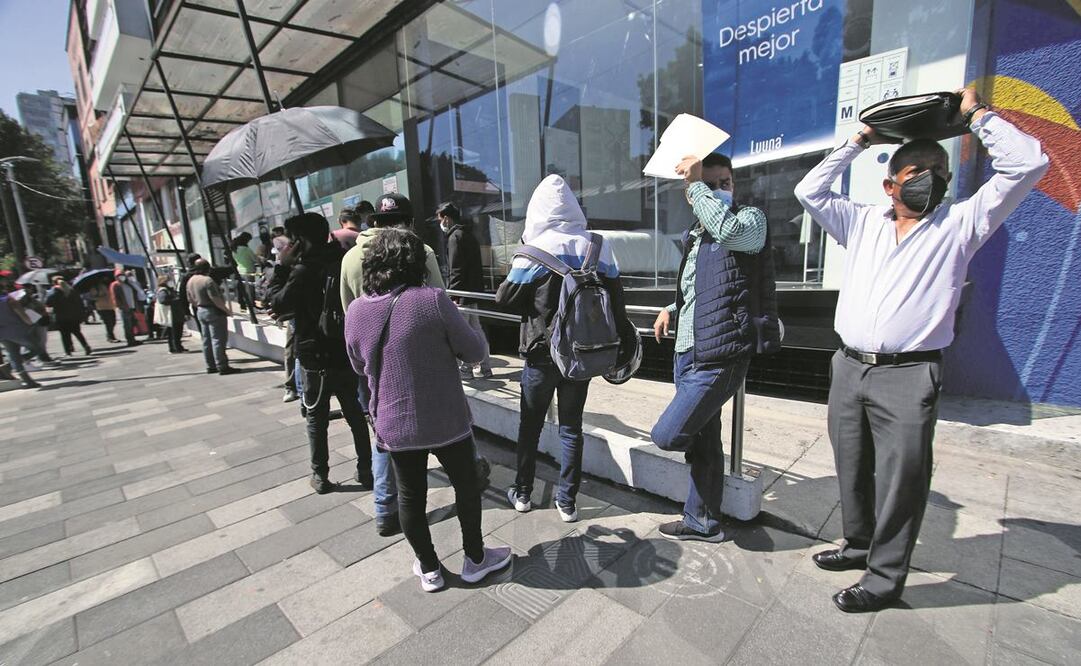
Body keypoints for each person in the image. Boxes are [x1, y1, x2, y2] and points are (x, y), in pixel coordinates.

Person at [793, 88, 1048, 613]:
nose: (932, 177)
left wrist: (977, 115)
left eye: (940, 169)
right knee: (851, 466)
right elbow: (809, 190)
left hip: (908, 376)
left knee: (903, 481)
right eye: (917, 170)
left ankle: (885, 580)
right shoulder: (861, 221)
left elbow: (1028, 163)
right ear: (891, 184)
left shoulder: (959, 225)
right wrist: (861, 139)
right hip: (848, 367)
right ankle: (859, 544)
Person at [345, 229, 512, 592]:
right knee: (466, 486)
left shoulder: (356, 310)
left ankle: (429, 568)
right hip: (446, 419)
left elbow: (358, 365)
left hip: (394, 420)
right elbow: (475, 352)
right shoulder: (431, 300)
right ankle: (476, 560)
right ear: (415, 263)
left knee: (410, 496)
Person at [649, 153, 774, 543]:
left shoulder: (750, 221)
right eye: (712, 183)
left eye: (725, 183)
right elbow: (697, 288)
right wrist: (671, 308)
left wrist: (696, 185)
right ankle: (701, 521)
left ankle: (701, 515)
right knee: (705, 442)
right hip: (687, 351)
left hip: (721, 354)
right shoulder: (695, 235)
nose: (720, 190)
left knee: (668, 435)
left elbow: (733, 235)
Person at [494, 174, 629, 523]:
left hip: (541, 354)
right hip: (582, 353)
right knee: (572, 427)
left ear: (537, 212)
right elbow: (617, 301)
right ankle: (567, 501)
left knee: (530, 425)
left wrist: (522, 255)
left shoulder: (534, 252)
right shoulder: (598, 245)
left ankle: (523, 492)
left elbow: (504, 298)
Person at [339, 193, 447, 535]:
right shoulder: (421, 252)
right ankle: (469, 470)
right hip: (419, 357)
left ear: (374, 222)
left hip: (371, 361)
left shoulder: (351, 258)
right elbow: (440, 303)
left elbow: (348, 312)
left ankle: (385, 509)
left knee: (384, 431)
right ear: (410, 222)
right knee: (445, 421)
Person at [266, 212, 373, 496]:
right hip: (344, 350)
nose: (285, 246)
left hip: (314, 355)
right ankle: (366, 469)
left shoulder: (301, 271)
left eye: (289, 241)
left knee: (316, 417)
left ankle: (321, 475)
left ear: (299, 240)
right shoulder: (341, 260)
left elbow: (275, 299)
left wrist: (281, 266)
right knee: (355, 413)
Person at [438, 202, 493, 380]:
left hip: (462, 293)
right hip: (473, 290)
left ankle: (466, 369)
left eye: (440, 219)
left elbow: (456, 269)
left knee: (464, 332)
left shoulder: (455, 237)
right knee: (476, 329)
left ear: (446, 218)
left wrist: (452, 294)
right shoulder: (468, 234)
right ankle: (485, 367)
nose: (440, 224)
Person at [185, 259, 239, 375]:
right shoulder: (207, 280)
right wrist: (227, 310)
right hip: (213, 311)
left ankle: (210, 365)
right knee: (218, 339)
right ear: (207, 268)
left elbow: (190, 298)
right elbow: (215, 298)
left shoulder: (191, 280)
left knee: (206, 340)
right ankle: (222, 366)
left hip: (200, 310)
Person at [0, 277, 56, 388]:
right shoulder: (9, 299)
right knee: (37, 348)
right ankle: (9, 367)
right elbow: (22, 314)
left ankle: (27, 380)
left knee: (13, 354)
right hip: (17, 330)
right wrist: (30, 323)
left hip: (2, 333)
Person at [45, 277, 92, 356]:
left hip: (61, 317)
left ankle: (68, 351)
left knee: (65, 335)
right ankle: (86, 346)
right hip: (73, 316)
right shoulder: (72, 291)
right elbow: (79, 303)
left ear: (54, 283)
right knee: (77, 333)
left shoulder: (54, 293)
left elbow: (48, 303)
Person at [154, 274, 185, 353]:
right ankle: (175, 348)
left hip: (175, 314)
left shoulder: (168, 289)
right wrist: (175, 299)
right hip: (172, 314)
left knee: (177, 332)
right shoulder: (163, 290)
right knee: (174, 333)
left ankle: (178, 346)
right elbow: (163, 300)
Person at [109, 269, 140, 346]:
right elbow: (115, 298)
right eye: (120, 276)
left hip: (132, 306)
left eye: (123, 275)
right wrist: (121, 306)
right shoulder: (115, 285)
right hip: (124, 308)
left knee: (132, 323)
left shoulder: (128, 284)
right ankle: (130, 340)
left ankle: (133, 338)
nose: (122, 277)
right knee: (127, 324)